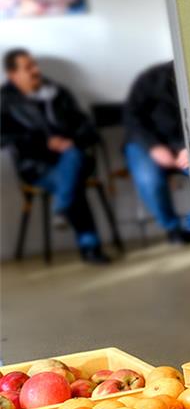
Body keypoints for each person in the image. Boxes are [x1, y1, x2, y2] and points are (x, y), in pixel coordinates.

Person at [0, 48, 109, 263]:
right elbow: (4, 138)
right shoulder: (5, 102)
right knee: (72, 181)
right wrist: (45, 143)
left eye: (35, 64)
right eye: (28, 67)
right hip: (38, 167)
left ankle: (62, 206)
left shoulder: (58, 93)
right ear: (13, 75)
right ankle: (90, 246)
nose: (35, 70)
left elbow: (87, 127)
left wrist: (71, 141)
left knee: (72, 160)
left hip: (73, 156)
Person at [122, 61, 190, 244]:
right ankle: (173, 229)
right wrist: (153, 147)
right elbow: (132, 118)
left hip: (188, 144)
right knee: (150, 181)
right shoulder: (150, 79)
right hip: (145, 143)